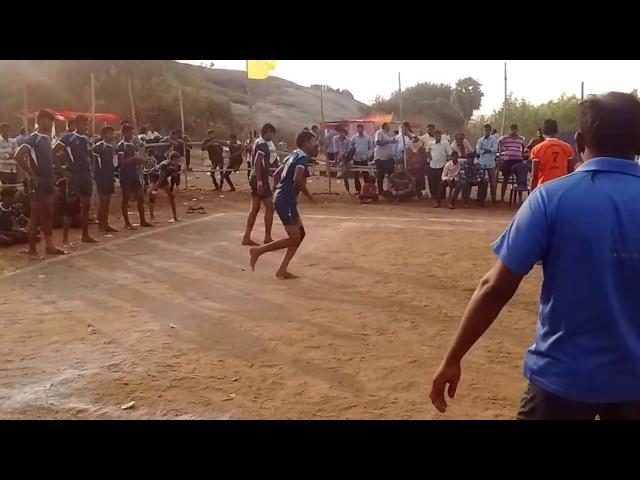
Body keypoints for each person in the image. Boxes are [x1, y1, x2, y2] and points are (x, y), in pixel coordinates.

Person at [430, 92, 640, 420]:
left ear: (581, 140)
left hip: (562, 379)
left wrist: (453, 358)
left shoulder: (551, 199)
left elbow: (496, 287)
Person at [249, 130, 316, 279]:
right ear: (306, 143)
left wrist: (278, 190)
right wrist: (309, 195)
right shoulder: (302, 157)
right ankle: (258, 251)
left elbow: (278, 174)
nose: (314, 145)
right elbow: (298, 179)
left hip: (285, 199)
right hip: (285, 200)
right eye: (313, 142)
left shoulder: (293, 154)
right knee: (294, 238)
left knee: (300, 235)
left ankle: (282, 270)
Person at [13, 109, 65, 259]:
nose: (50, 123)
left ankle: (49, 246)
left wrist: (56, 173)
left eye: (52, 121)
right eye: (49, 120)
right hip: (38, 182)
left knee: (48, 214)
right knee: (35, 216)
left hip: (48, 181)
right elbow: (18, 156)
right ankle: (32, 250)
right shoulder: (33, 138)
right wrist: (33, 175)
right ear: (41, 120)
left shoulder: (48, 139)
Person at [53, 114, 98, 243]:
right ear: (77, 124)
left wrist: (92, 170)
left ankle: (85, 235)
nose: (86, 126)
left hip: (86, 174)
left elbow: (89, 156)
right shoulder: (68, 137)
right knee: (70, 205)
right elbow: (53, 151)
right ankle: (65, 238)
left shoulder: (86, 139)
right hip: (74, 175)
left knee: (86, 205)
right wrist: (63, 170)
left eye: (87, 124)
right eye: (84, 124)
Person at [242, 123, 276, 246]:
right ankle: (267, 237)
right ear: (267, 132)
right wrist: (260, 181)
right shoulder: (262, 144)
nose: (272, 137)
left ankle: (247, 236)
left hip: (256, 177)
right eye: (272, 134)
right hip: (259, 178)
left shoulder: (257, 142)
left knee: (255, 209)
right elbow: (257, 163)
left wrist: (270, 174)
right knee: (270, 207)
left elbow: (261, 164)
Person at [116, 124, 153, 230]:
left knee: (140, 197)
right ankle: (127, 223)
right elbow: (121, 162)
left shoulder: (132, 145)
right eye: (129, 133)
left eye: (132, 133)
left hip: (134, 174)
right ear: (123, 133)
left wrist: (140, 160)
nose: (131, 135)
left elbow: (134, 159)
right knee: (126, 198)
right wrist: (135, 158)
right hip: (125, 175)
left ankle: (143, 220)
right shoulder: (121, 146)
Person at [530, 118, 575, 190]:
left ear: (543, 132)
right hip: (562, 187)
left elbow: (534, 175)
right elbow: (571, 171)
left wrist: (531, 195)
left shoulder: (537, 149)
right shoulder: (567, 147)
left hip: (543, 188)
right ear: (556, 131)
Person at [92, 126, 118, 233]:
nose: (111, 136)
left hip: (109, 177)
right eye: (109, 134)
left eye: (112, 134)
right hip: (101, 178)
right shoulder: (98, 147)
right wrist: (97, 176)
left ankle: (106, 223)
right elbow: (94, 163)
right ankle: (101, 226)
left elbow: (113, 163)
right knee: (103, 202)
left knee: (107, 202)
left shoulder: (111, 148)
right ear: (103, 135)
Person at [149, 151, 181, 222]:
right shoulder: (164, 165)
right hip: (154, 177)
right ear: (172, 159)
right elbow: (160, 178)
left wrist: (174, 171)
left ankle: (175, 217)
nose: (178, 162)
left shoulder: (176, 166)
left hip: (163, 179)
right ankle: (152, 216)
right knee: (152, 195)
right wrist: (156, 188)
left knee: (171, 196)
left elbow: (174, 177)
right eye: (176, 160)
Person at [498, 124, 526, 202]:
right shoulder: (504, 138)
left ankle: (520, 199)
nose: (514, 131)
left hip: (518, 160)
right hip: (508, 160)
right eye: (512, 130)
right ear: (510, 130)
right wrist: (501, 156)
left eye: (515, 130)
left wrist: (522, 155)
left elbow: (523, 147)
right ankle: (502, 198)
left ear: (517, 130)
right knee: (506, 179)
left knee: (519, 179)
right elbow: (499, 145)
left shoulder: (521, 138)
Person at [426, 130, 452, 200]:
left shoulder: (445, 143)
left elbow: (450, 154)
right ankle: (433, 196)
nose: (438, 136)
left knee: (440, 181)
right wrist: (429, 157)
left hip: (442, 165)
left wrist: (447, 164)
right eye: (436, 135)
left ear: (441, 135)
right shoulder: (430, 143)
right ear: (434, 135)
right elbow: (427, 151)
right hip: (432, 165)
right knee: (431, 181)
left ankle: (441, 196)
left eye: (439, 135)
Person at [475, 124, 498, 203]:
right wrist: (488, 150)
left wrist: (484, 150)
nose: (486, 132)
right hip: (482, 163)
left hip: (491, 163)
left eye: (488, 130)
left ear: (490, 131)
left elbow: (495, 149)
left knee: (493, 182)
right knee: (480, 180)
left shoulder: (494, 139)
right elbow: (478, 151)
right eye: (485, 130)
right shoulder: (480, 140)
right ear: (484, 130)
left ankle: (493, 197)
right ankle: (479, 197)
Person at [374, 122, 397, 194]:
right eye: (388, 126)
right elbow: (378, 143)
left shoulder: (387, 134)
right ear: (385, 126)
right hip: (381, 158)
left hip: (389, 158)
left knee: (391, 174)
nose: (389, 128)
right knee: (381, 175)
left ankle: (389, 190)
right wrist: (389, 141)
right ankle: (380, 191)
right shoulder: (379, 133)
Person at [350, 124, 373, 194]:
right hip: (356, 158)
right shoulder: (354, 138)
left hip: (364, 159)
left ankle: (367, 189)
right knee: (356, 175)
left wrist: (368, 156)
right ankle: (358, 190)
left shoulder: (368, 138)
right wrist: (352, 156)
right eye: (359, 129)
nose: (360, 130)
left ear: (363, 129)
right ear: (357, 129)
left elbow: (371, 148)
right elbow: (350, 147)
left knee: (366, 174)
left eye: (361, 129)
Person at [333, 127, 352, 193]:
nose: (341, 134)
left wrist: (345, 153)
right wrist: (335, 159)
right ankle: (346, 184)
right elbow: (335, 150)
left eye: (343, 133)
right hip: (340, 158)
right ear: (339, 133)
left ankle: (346, 181)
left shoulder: (348, 140)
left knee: (352, 151)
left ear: (345, 134)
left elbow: (349, 150)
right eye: (340, 132)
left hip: (347, 157)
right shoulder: (335, 138)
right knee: (344, 168)